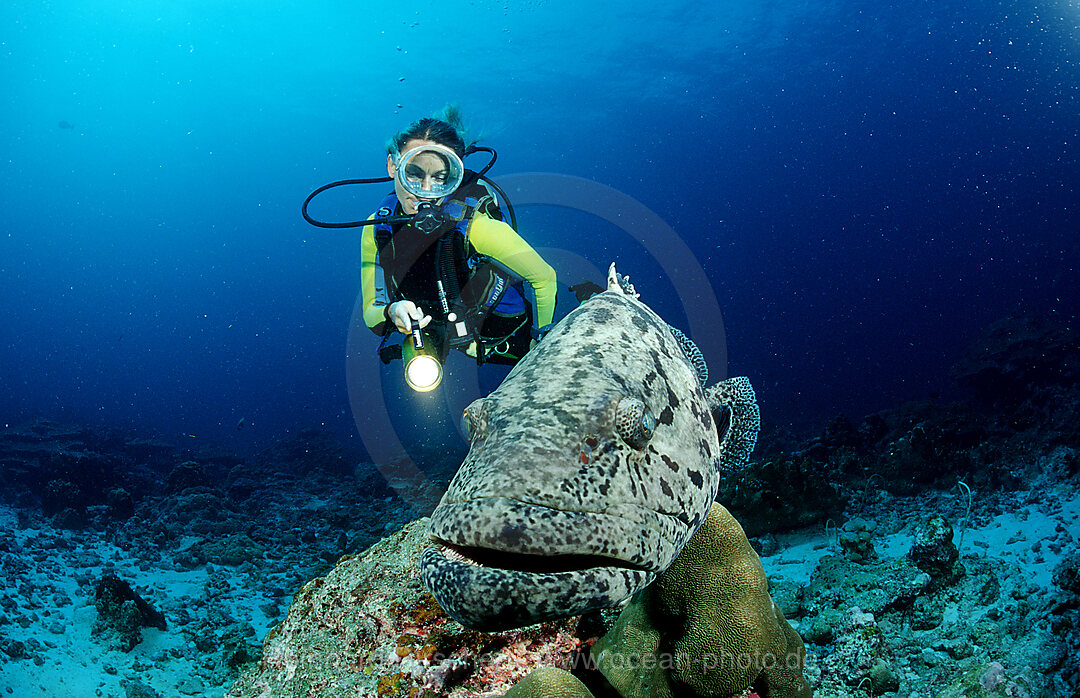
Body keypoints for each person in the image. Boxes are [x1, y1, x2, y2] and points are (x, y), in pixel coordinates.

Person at [360, 108, 557, 366]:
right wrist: (391, 310)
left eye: (441, 178)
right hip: (441, 335)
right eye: (414, 174)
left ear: (454, 179)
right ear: (392, 166)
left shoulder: (475, 227)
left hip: (503, 339)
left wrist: (540, 343)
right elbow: (371, 313)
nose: (425, 192)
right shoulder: (378, 228)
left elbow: (544, 278)